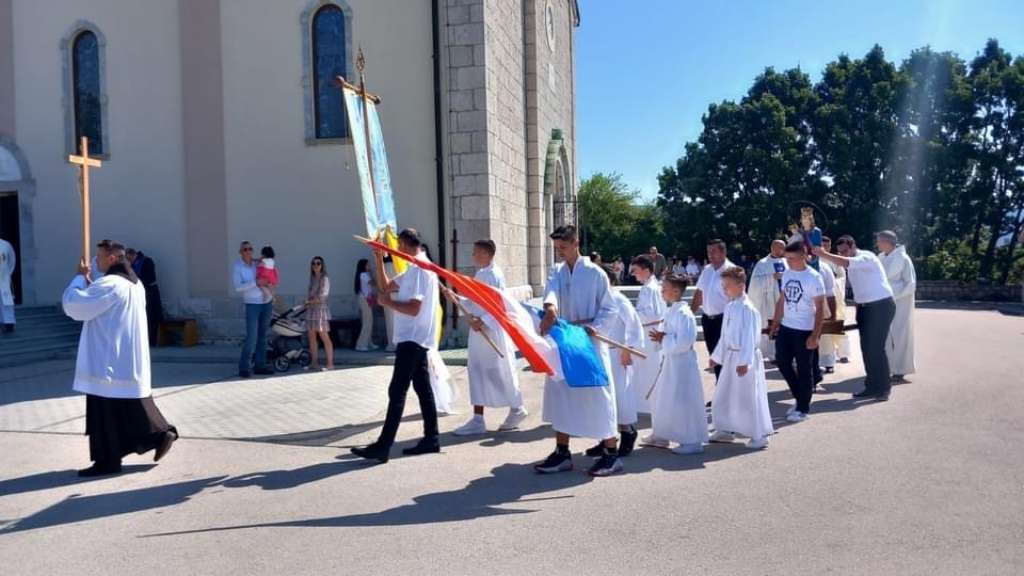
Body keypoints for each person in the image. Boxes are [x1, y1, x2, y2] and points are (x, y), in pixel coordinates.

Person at [62, 240, 178, 476]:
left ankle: (108, 461)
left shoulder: (110, 284)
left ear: (112, 259)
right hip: (125, 358)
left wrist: (78, 279)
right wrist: (90, 282)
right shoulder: (135, 285)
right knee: (129, 409)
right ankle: (158, 435)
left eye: (99, 257)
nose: (96, 262)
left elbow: (74, 306)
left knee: (106, 415)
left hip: (106, 360)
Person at [535, 225, 621, 477]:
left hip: (589, 341)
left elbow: (610, 308)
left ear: (576, 243)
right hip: (565, 340)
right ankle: (562, 452)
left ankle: (611, 454)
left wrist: (595, 327)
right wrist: (550, 308)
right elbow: (551, 291)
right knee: (562, 392)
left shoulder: (596, 273)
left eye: (563, 247)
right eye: (556, 248)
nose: (560, 252)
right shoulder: (557, 271)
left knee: (598, 395)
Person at [351, 228, 441, 463]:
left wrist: (387, 303)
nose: (397, 250)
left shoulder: (421, 269)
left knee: (397, 390)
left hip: (412, 338)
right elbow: (386, 286)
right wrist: (379, 258)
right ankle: (431, 438)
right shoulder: (414, 267)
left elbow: (413, 308)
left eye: (398, 246)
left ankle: (383, 446)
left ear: (405, 244)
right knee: (422, 388)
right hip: (413, 338)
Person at [453, 239, 529, 436]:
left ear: (487, 254)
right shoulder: (481, 273)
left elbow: (499, 305)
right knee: (476, 371)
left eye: (476, 252)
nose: (473, 255)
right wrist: (457, 299)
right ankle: (478, 419)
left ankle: (517, 408)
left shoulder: (494, 275)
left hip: (491, 331)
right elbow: (474, 302)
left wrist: (484, 321)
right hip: (478, 331)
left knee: (501, 372)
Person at [814, 236, 895, 401]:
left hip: (880, 306)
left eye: (845, 251)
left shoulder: (866, 257)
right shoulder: (851, 262)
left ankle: (883, 388)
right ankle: (872, 386)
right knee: (867, 349)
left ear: (853, 247)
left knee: (877, 348)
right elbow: (859, 289)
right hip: (865, 307)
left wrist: (823, 253)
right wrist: (859, 310)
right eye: (840, 252)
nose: (843, 254)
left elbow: (847, 262)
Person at [709, 267, 773, 449]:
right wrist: (716, 356)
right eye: (723, 285)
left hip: (744, 358)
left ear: (740, 285)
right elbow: (724, 335)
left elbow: (750, 337)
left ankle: (759, 434)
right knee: (724, 394)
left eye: (727, 285)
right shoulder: (729, 307)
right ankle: (724, 428)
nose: (724, 289)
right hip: (730, 356)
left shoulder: (748, 309)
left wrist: (745, 361)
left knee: (748, 397)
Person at [644, 275, 708, 454]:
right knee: (663, 397)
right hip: (670, 362)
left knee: (683, 400)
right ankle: (661, 434)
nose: (661, 291)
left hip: (682, 364)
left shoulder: (684, 314)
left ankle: (692, 441)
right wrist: (660, 338)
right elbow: (664, 335)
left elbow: (685, 342)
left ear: (676, 291)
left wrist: (663, 338)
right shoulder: (671, 311)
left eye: (664, 288)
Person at [584, 273, 644, 458]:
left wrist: (628, 348)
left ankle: (628, 432)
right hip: (600, 353)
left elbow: (634, 324)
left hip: (617, 353)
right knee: (604, 399)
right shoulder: (595, 301)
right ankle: (606, 438)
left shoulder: (618, 299)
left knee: (620, 396)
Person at [769, 241, 826, 423]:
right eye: (787, 258)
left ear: (803, 256)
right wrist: (775, 323)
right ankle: (799, 396)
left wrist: (815, 335)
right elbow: (782, 300)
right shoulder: (787, 274)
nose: (788, 262)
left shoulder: (814, 277)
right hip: (786, 328)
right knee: (782, 362)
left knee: (804, 369)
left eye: (791, 258)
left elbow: (820, 309)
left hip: (804, 330)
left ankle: (803, 408)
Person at [691, 239, 738, 382]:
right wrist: (689, 313)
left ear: (723, 251)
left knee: (726, 357)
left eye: (713, 251)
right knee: (714, 356)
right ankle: (720, 394)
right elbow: (699, 293)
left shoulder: (731, 271)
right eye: (708, 252)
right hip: (708, 320)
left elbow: (736, 299)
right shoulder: (707, 270)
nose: (710, 255)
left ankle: (728, 395)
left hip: (724, 320)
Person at [876, 230, 916, 383]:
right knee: (883, 335)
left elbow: (910, 284)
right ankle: (886, 367)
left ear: (887, 242)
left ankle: (900, 370)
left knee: (900, 334)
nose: (877, 244)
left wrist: (891, 294)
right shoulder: (880, 257)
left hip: (900, 302)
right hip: (881, 301)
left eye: (880, 241)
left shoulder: (903, 259)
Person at [630, 254, 665, 414]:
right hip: (647, 332)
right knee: (643, 369)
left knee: (649, 369)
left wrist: (631, 315)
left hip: (650, 333)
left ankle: (649, 405)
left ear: (646, 270)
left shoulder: (651, 288)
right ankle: (644, 404)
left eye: (636, 270)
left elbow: (653, 314)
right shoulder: (648, 286)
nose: (633, 274)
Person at [233, 241, 274, 378]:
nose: (248, 251)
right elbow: (238, 287)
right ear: (240, 252)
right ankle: (244, 367)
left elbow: (268, 272)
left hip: (266, 302)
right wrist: (255, 283)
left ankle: (260, 365)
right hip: (252, 304)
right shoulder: (238, 266)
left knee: (262, 336)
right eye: (245, 249)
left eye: (250, 248)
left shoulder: (258, 263)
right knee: (251, 337)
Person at [748, 240, 787, 360]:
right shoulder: (763, 263)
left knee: (785, 327)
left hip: (786, 300)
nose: (783, 251)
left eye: (784, 248)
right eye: (780, 248)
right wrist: (772, 277)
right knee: (770, 327)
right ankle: (772, 355)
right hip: (769, 301)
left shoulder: (787, 261)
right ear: (773, 248)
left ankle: (785, 352)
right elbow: (755, 283)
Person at [819, 236, 849, 372]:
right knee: (820, 332)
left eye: (828, 246)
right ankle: (822, 361)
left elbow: (842, 277)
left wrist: (833, 283)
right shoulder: (813, 259)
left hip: (833, 297)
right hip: (818, 299)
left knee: (835, 327)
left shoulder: (835, 259)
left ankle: (839, 356)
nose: (825, 248)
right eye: (823, 246)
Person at [126, 248, 164, 345]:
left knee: (151, 316)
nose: (128, 260)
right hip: (140, 293)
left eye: (128, 258)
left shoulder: (147, 261)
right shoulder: (132, 264)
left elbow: (149, 278)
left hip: (150, 292)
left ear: (132, 255)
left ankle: (152, 340)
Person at [305, 256, 333, 371]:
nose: (316, 265)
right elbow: (311, 294)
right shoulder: (312, 278)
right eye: (314, 263)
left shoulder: (324, 278)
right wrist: (307, 302)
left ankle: (330, 364)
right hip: (311, 309)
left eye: (318, 263)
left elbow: (323, 296)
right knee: (311, 336)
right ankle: (314, 363)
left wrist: (309, 301)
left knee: (324, 336)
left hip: (320, 309)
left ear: (322, 265)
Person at [354, 259, 377, 352]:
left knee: (369, 321)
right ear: (363, 266)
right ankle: (361, 344)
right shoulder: (363, 275)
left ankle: (369, 342)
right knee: (367, 322)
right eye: (368, 265)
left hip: (367, 298)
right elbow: (373, 283)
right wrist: (373, 274)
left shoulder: (365, 275)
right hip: (364, 299)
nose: (369, 266)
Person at [0, 236, 16, 333]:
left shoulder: (5, 245)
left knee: (6, 303)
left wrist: (7, 274)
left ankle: (9, 323)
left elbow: (12, 261)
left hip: (3, 279)